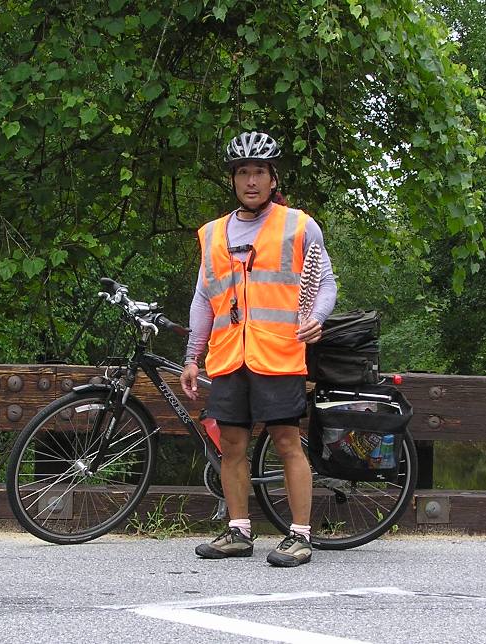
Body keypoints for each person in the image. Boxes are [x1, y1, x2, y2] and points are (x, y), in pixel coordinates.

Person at [180, 131, 337, 567]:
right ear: (233, 179)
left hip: (278, 353)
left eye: (260, 172)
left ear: (273, 178)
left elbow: (325, 283)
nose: (251, 180)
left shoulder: (299, 225)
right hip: (230, 356)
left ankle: (300, 535)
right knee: (231, 445)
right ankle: (238, 530)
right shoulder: (212, 234)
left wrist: (316, 319)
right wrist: (193, 357)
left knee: (287, 441)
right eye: (243, 172)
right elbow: (202, 299)